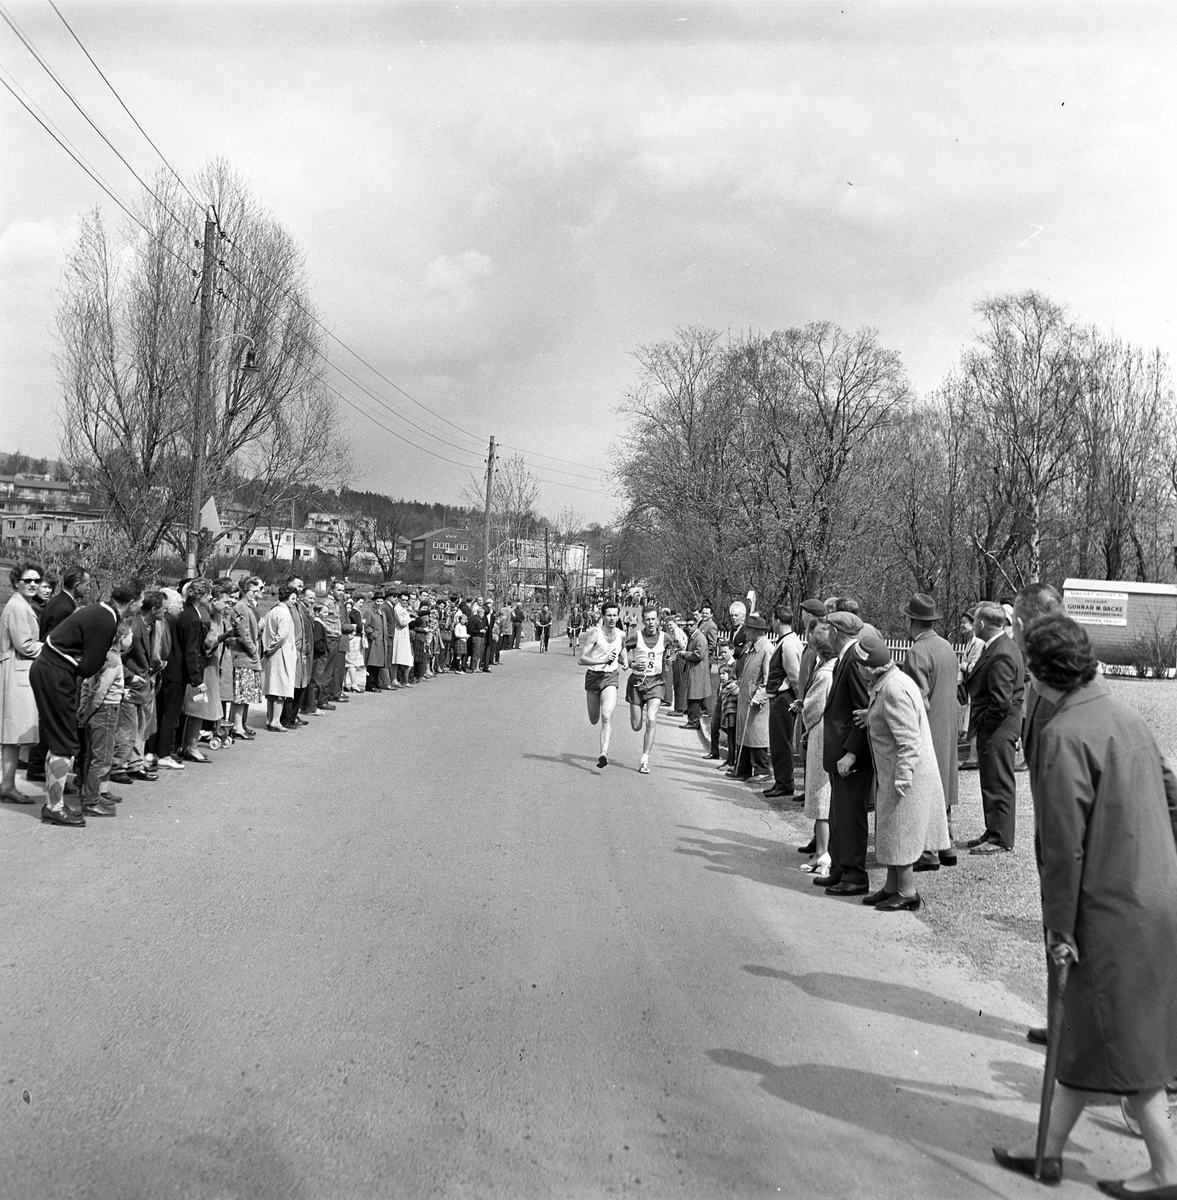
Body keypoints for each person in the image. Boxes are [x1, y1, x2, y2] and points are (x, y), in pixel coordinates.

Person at [992, 614, 1177, 1195]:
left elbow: (1063, 851)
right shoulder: (1125, 716)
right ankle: (1046, 1149)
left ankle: (1169, 1169)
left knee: (1124, 1039)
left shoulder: (1065, 735)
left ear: (1040, 675)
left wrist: (1059, 930)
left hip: (1108, 908)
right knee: (1085, 1031)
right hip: (1153, 895)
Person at [29, 579, 141, 826]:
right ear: (132, 603)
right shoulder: (107, 621)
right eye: (141, 601)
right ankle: (54, 807)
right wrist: (82, 658)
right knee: (64, 743)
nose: (141, 606)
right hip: (54, 673)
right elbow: (90, 667)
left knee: (61, 740)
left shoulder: (101, 610)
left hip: (50, 668)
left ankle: (54, 802)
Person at [855, 629, 950, 911]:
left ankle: (908, 892)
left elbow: (909, 739)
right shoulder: (890, 682)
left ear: (870, 667)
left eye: (860, 664)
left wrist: (902, 777)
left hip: (906, 775)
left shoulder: (894, 689)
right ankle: (891, 886)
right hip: (894, 771)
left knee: (901, 832)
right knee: (890, 830)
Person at [900, 593, 960, 869]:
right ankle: (946, 844)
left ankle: (927, 852)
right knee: (944, 784)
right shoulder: (947, 646)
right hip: (947, 723)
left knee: (925, 787)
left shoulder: (917, 652)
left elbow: (916, 698)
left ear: (912, 621)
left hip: (928, 727)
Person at [819, 610, 874, 897]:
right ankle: (841, 869)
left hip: (851, 758)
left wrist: (852, 753)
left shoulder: (853, 660)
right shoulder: (847, 657)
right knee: (840, 814)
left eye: (828, 629)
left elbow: (863, 712)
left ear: (836, 633)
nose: (825, 634)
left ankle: (855, 875)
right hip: (840, 754)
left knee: (851, 816)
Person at [965, 601, 1024, 854]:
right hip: (996, 728)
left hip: (998, 729)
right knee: (991, 781)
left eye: (975, 621)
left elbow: (1001, 702)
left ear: (981, 624)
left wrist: (984, 725)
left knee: (998, 782)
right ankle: (993, 830)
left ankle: (1001, 838)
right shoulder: (1001, 647)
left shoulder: (1001, 653)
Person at [24, 563, 90, 782]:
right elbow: (59, 640)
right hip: (54, 668)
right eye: (86, 585)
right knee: (52, 720)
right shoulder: (65, 608)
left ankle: (37, 765)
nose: (87, 589)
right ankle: (38, 766)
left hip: (46, 665)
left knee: (47, 718)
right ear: (77, 584)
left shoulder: (57, 601)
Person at [0, 561, 44, 804]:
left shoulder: (21, 605)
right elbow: (25, 645)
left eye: (36, 580)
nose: (33, 584)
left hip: (18, 670)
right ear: (16, 582)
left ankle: (7, 784)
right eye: (27, 580)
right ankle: (7, 785)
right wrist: (49, 648)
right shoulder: (18, 607)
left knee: (13, 734)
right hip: (16, 671)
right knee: (12, 732)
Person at [798, 620, 836, 876]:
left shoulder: (824, 674)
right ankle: (822, 849)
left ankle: (822, 852)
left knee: (821, 798)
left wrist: (803, 712)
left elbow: (812, 709)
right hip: (827, 733)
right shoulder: (834, 668)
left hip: (820, 735)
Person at [624, 605, 673, 774]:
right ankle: (636, 715)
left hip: (656, 682)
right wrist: (631, 664)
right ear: (643, 621)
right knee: (637, 726)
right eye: (648, 619)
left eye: (654, 619)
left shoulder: (665, 637)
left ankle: (644, 759)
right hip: (637, 683)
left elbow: (671, 652)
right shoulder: (635, 636)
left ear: (658, 620)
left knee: (651, 719)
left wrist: (670, 658)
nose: (651, 622)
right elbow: (619, 651)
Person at [579, 599, 627, 769]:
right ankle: (602, 748)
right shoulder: (595, 634)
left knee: (607, 716)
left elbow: (622, 647)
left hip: (610, 677)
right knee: (594, 719)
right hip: (593, 676)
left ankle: (603, 753)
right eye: (609, 615)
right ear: (603, 616)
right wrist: (602, 660)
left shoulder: (621, 634)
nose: (612, 618)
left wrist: (626, 660)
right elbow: (582, 659)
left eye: (615, 615)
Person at [764, 605, 802, 799]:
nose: (772, 623)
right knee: (777, 741)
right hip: (781, 697)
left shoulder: (788, 643)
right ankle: (781, 780)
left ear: (777, 621)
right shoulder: (787, 640)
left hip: (785, 698)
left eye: (772, 620)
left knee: (782, 741)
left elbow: (795, 676)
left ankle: (785, 783)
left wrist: (798, 700)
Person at [732, 612, 772, 782]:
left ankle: (762, 770)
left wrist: (759, 697)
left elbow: (769, 677)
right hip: (746, 695)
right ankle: (743, 769)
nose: (744, 633)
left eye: (747, 630)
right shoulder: (752, 645)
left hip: (757, 701)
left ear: (755, 631)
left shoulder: (767, 648)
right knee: (745, 733)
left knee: (757, 734)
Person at [260, 584, 298, 731]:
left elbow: (263, 628)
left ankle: (270, 719)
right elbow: (281, 635)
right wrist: (270, 649)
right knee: (281, 688)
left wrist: (267, 649)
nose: (294, 601)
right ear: (286, 598)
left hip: (272, 655)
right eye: (293, 598)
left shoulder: (272, 611)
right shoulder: (284, 613)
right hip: (280, 654)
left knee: (272, 688)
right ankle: (275, 720)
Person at [230, 577, 262, 739]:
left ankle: (241, 723)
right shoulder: (241, 607)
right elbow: (244, 633)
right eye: (253, 591)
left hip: (248, 657)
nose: (256, 594)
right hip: (243, 656)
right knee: (241, 694)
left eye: (257, 591)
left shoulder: (248, 607)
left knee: (247, 693)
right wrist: (254, 651)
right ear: (244, 590)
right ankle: (236, 726)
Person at [680, 612, 711, 730]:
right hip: (694, 669)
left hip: (698, 670)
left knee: (694, 695)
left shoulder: (700, 638)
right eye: (687, 625)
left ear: (696, 625)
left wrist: (685, 654)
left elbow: (698, 655)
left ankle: (694, 721)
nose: (688, 627)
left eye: (691, 625)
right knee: (692, 694)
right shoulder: (694, 636)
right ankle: (692, 720)